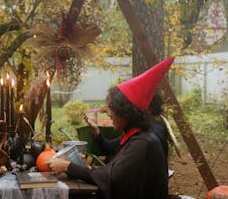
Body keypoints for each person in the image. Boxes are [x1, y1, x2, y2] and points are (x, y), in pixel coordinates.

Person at [47, 57, 174, 199]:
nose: (109, 113)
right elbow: (113, 171)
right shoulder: (134, 137)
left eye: (112, 108)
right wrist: (87, 168)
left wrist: (68, 167)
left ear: (127, 112)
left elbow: (114, 179)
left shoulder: (142, 143)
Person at [84, 92, 169, 162]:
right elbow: (109, 148)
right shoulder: (137, 130)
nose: (109, 114)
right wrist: (95, 129)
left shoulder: (150, 135)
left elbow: (117, 173)